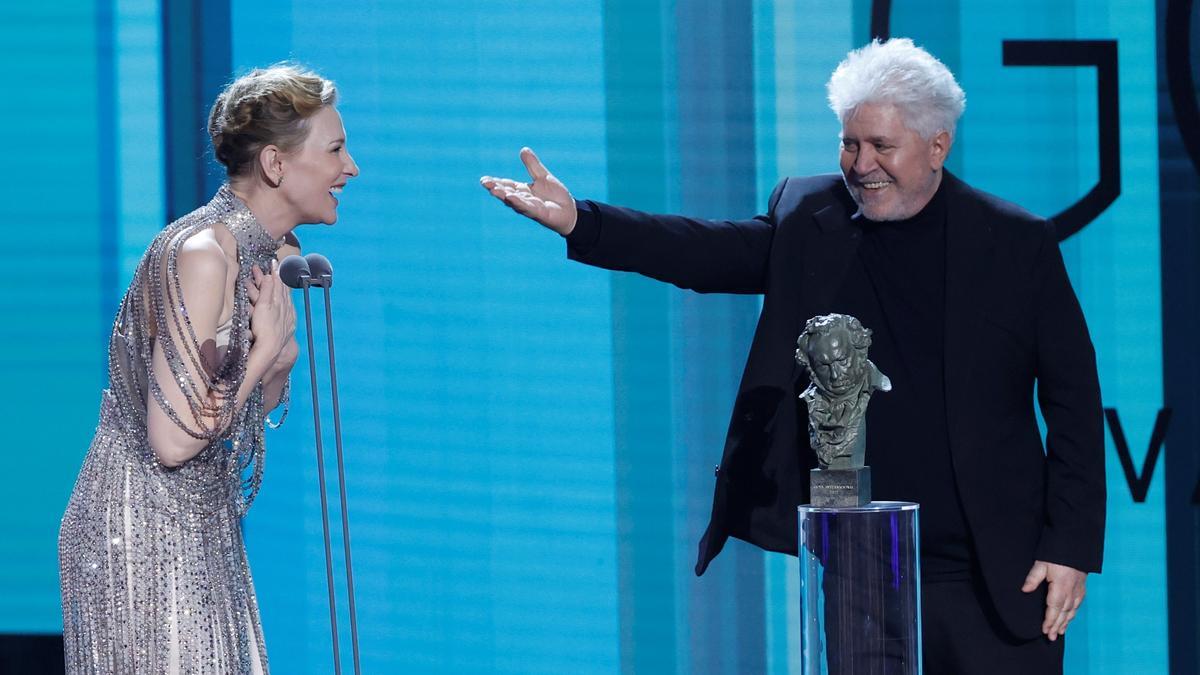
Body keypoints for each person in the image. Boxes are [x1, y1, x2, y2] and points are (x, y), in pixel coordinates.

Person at [481, 38, 1104, 674]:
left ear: (937, 145)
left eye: (881, 147)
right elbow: (703, 252)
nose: (861, 165)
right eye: (849, 144)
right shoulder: (810, 217)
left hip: (992, 576)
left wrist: (1070, 545)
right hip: (863, 570)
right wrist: (582, 222)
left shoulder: (1014, 243)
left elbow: (1074, 401)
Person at [58, 64, 359, 674]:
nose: (350, 168)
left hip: (199, 515)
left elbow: (245, 409)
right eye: (335, 149)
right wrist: (262, 357)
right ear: (276, 164)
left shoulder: (261, 254)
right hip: (139, 528)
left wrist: (278, 361)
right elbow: (172, 441)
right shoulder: (204, 254)